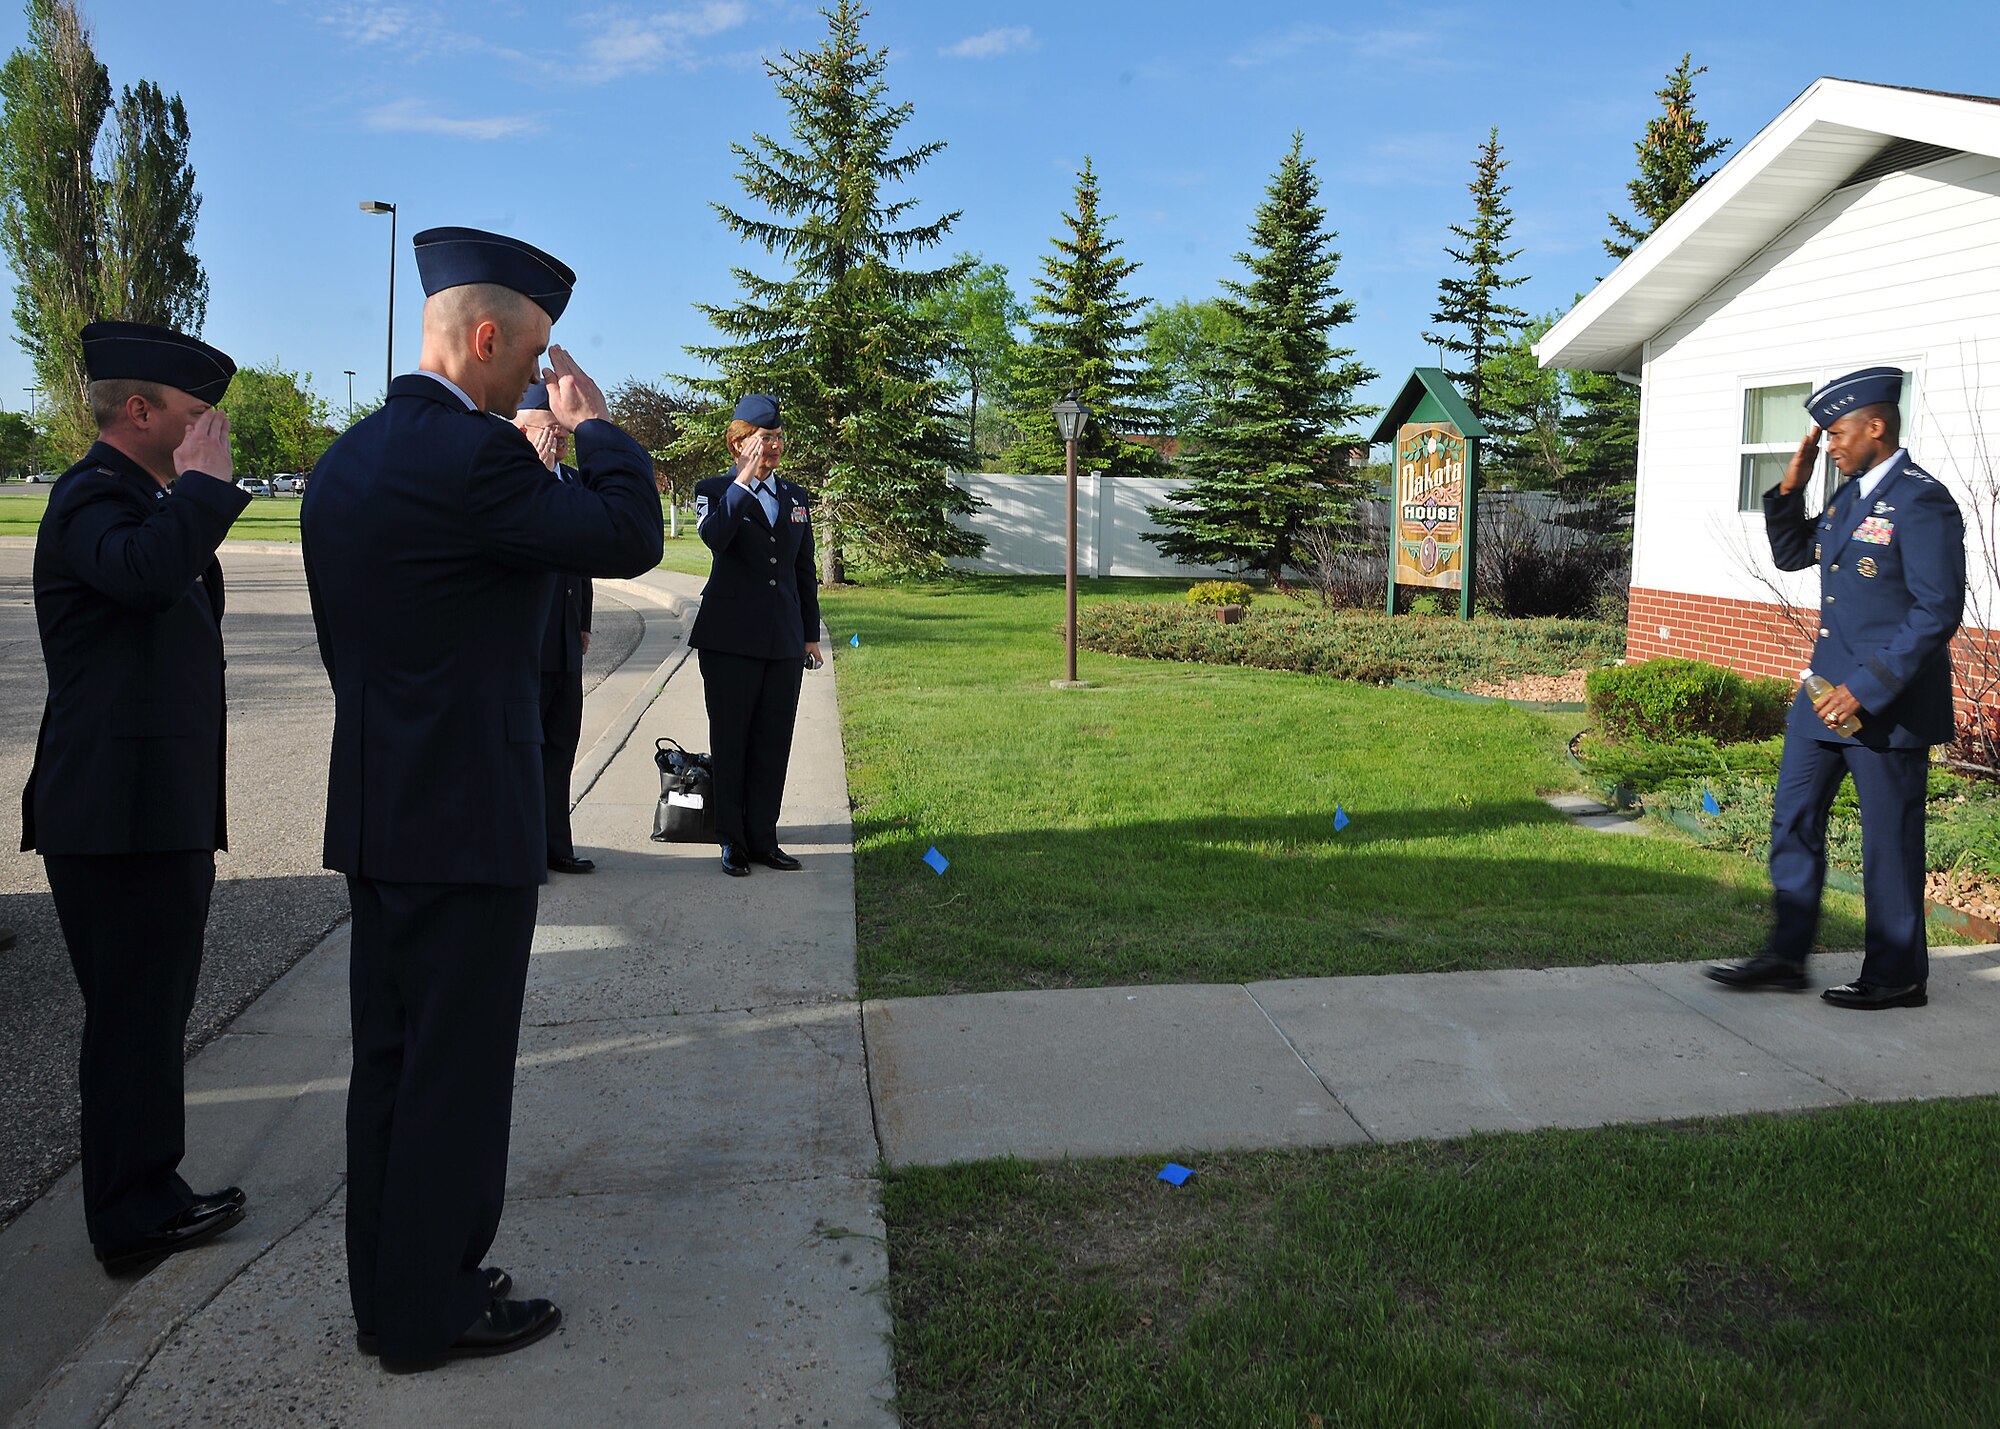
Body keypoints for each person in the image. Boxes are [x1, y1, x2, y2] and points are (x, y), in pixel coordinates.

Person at [301, 226, 662, 1371]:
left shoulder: (346, 461)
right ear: (491, 336)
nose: (539, 382)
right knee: (455, 1075)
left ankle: (392, 1289)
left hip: (379, 806)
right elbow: (629, 533)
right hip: (469, 816)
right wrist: (597, 426)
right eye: (537, 357)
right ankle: (432, 1306)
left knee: (392, 1067)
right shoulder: (477, 460)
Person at [22, 320, 251, 1273]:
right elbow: (148, 578)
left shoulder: (145, 500)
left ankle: (154, 1185)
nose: (211, 434)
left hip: (151, 809)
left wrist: (188, 493)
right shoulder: (90, 500)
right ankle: (127, 1215)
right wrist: (200, 489)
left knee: (153, 1013)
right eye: (198, 417)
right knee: (130, 1019)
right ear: (140, 409)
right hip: (112, 816)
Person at [1709, 366, 1965, 1009]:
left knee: (1888, 842)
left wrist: (1865, 688)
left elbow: (1936, 611)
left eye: (1837, 432)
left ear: (1876, 426)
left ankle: (1896, 975)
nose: (1830, 445)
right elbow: (1795, 555)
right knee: (1792, 818)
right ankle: (1785, 957)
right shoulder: (1850, 498)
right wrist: (1788, 490)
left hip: (1884, 704)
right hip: (1821, 698)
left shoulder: (1921, 500)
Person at [688, 395, 821, 877]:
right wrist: (742, 482)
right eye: (765, 439)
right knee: (731, 740)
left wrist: (810, 634)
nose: (774, 447)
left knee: (772, 740)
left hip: (782, 639)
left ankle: (764, 836)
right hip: (728, 639)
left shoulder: (796, 498)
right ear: (739, 442)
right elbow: (715, 537)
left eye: (778, 438)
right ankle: (732, 840)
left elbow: (803, 570)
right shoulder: (713, 490)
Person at [514, 382, 595, 876]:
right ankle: (524, 849)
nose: (556, 444)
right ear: (520, 431)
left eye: (561, 434)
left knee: (561, 745)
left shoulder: (573, 481)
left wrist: (583, 621)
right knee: (526, 751)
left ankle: (556, 845)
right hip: (525, 641)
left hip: (564, 637)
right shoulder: (513, 479)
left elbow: (580, 558)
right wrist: (537, 474)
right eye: (546, 433)